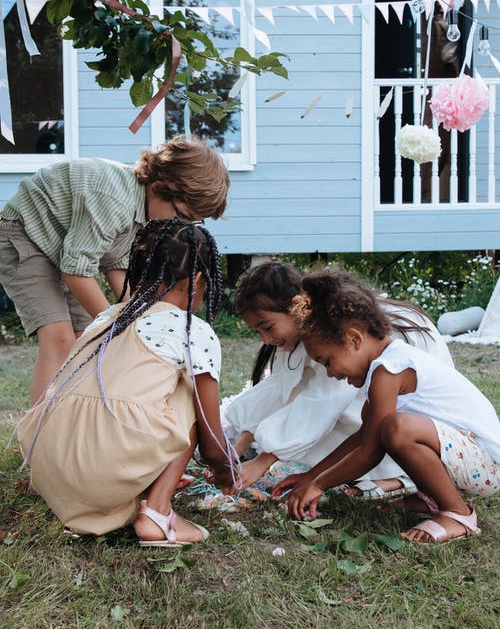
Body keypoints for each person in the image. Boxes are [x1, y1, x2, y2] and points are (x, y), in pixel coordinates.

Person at [17, 218, 239, 546]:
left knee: (138, 390)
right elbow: (210, 439)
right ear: (198, 280)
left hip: (50, 470)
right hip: (102, 470)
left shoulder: (107, 318)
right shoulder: (191, 330)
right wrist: (225, 469)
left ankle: (132, 492)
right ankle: (158, 512)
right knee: (189, 390)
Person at [273, 269, 500, 545]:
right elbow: (362, 438)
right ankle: (427, 498)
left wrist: (319, 485)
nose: (331, 374)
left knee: (397, 429)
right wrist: (311, 475)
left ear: (354, 339)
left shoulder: (389, 370)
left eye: (327, 361)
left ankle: (457, 514)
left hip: (487, 465)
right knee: (387, 428)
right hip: (467, 458)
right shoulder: (383, 369)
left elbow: (370, 452)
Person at [0, 134, 229, 404]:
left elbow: (116, 266)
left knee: (84, 338)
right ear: (157, 188)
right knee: (59, 338)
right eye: (182, 217)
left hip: (63, 249)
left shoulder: (147, 214)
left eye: (193, 223)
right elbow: (76, 272)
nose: (182, 228)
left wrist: (137, 316)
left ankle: (67, 414)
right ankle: (39, 437)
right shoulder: (114, 201)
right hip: (24, 235)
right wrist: (117, 325)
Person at [224, 261, 453, 498]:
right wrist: (240, 444)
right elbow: (282, 389)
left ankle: (396, 477)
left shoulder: (335, 331)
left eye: (268, 327)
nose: (266, 339)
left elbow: (323, 401)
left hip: (426, 427)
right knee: (297, 448)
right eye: (257, 332)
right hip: (388, 411)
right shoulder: (312, 330)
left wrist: (265, 460)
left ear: (295, 307)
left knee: (304, 452)